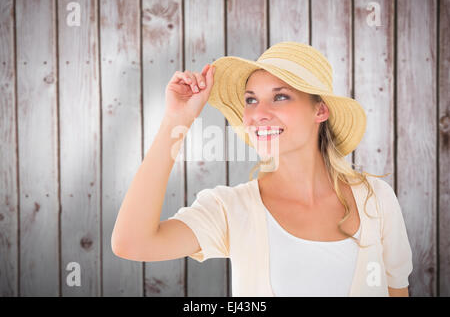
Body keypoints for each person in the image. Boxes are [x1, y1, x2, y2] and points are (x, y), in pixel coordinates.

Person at [111, 42, 413, 297]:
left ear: (320, 110)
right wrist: (176, 120)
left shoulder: (376, 200)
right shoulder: (232, 208)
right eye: (251, 100)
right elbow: (132, 243)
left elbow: (396, 290)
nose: (258, 114)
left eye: (280, 96)